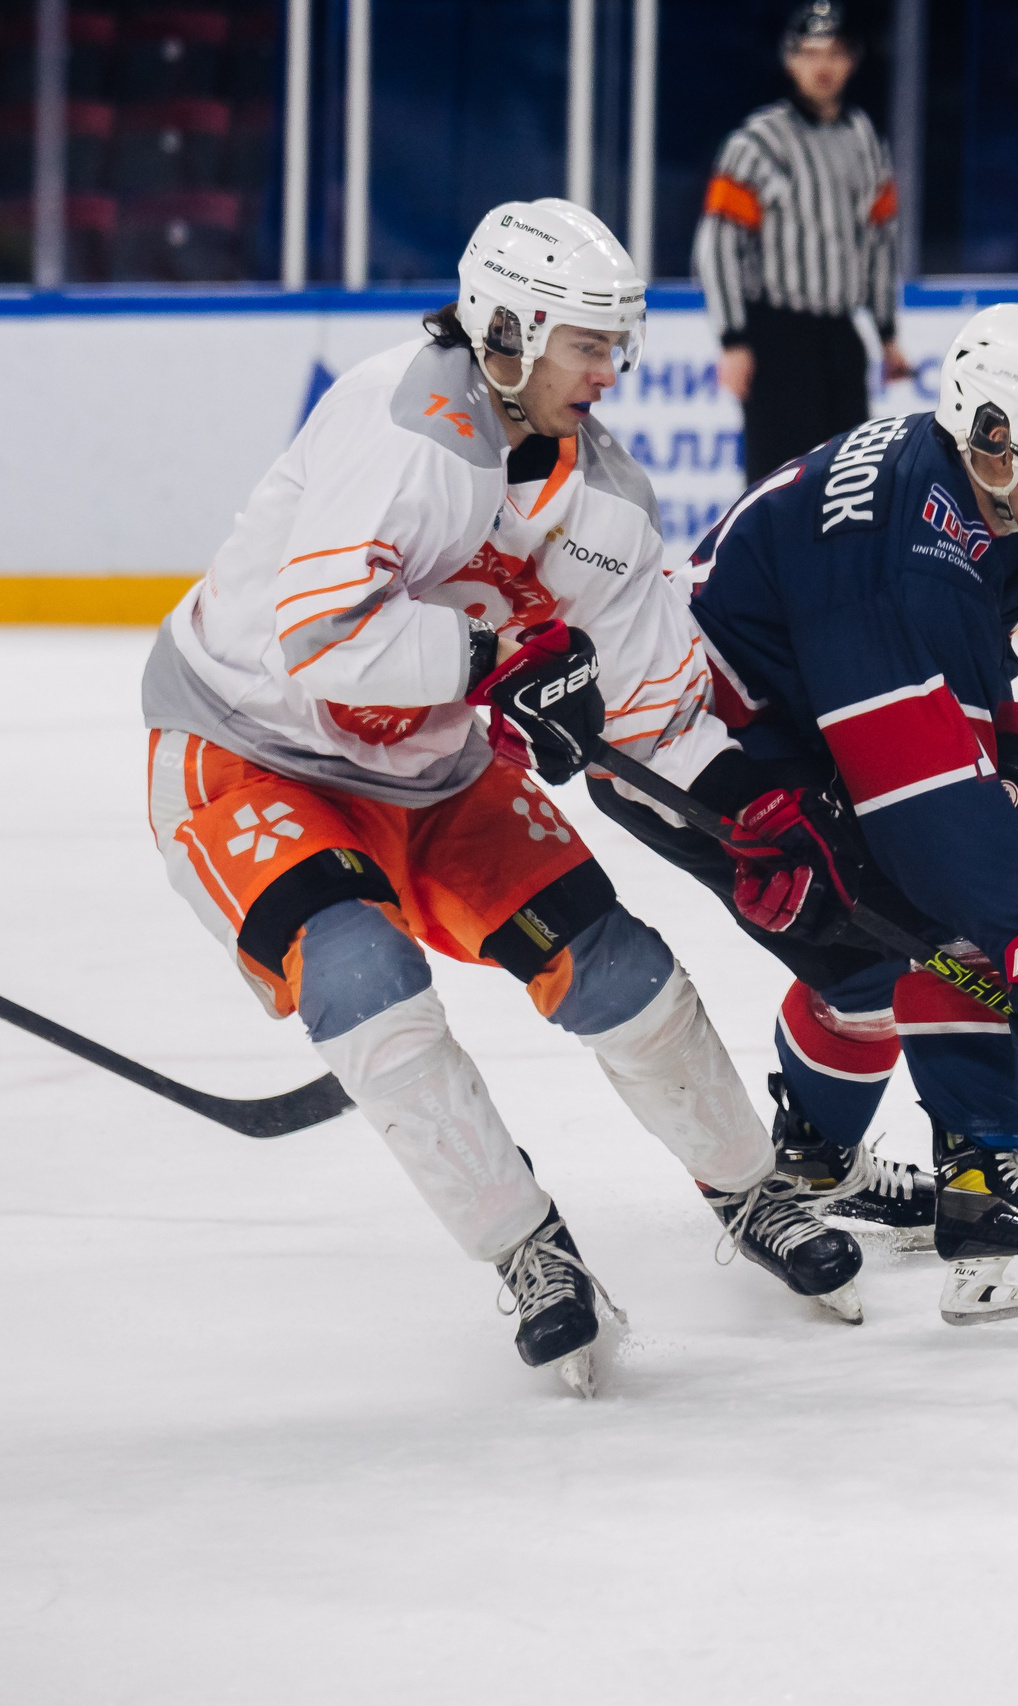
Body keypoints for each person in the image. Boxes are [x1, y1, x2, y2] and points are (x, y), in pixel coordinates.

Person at [138, 197, 863, 1397]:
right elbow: (322, 635)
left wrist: (749, 814)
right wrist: (499, 667)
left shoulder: (611, 504)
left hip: (432, 773)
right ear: (510, 329)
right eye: (588, 342)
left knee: (618, 965)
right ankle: (529, 1249)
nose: (611, 371)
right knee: (363, 972)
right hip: (247, 747)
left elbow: (652, 711)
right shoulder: (405, 416)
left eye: (616, 343)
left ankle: (750, 1189)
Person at [582, 301, 1018, 1324]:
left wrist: (1005, 757)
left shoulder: (999, 514)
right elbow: (921, 793)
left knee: (868, 953)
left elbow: (948, 716)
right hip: (692, 754)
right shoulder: (900, 544)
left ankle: (813, 1156)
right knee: (937, 932)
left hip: (790, 733)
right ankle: (983, 1192)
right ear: (995, 435)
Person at [694, 0, 911, 483]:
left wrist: (887, 336)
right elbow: (719, 245)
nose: (823, 66)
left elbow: (880, 243)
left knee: (849, 482)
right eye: (810, 53)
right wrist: (733, 339)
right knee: (777, 484)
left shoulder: (865, 141)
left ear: (852, 60)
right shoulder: (758, 142)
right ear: (790, 59)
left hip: (840, 337)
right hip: (777, 339)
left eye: (834, 52)